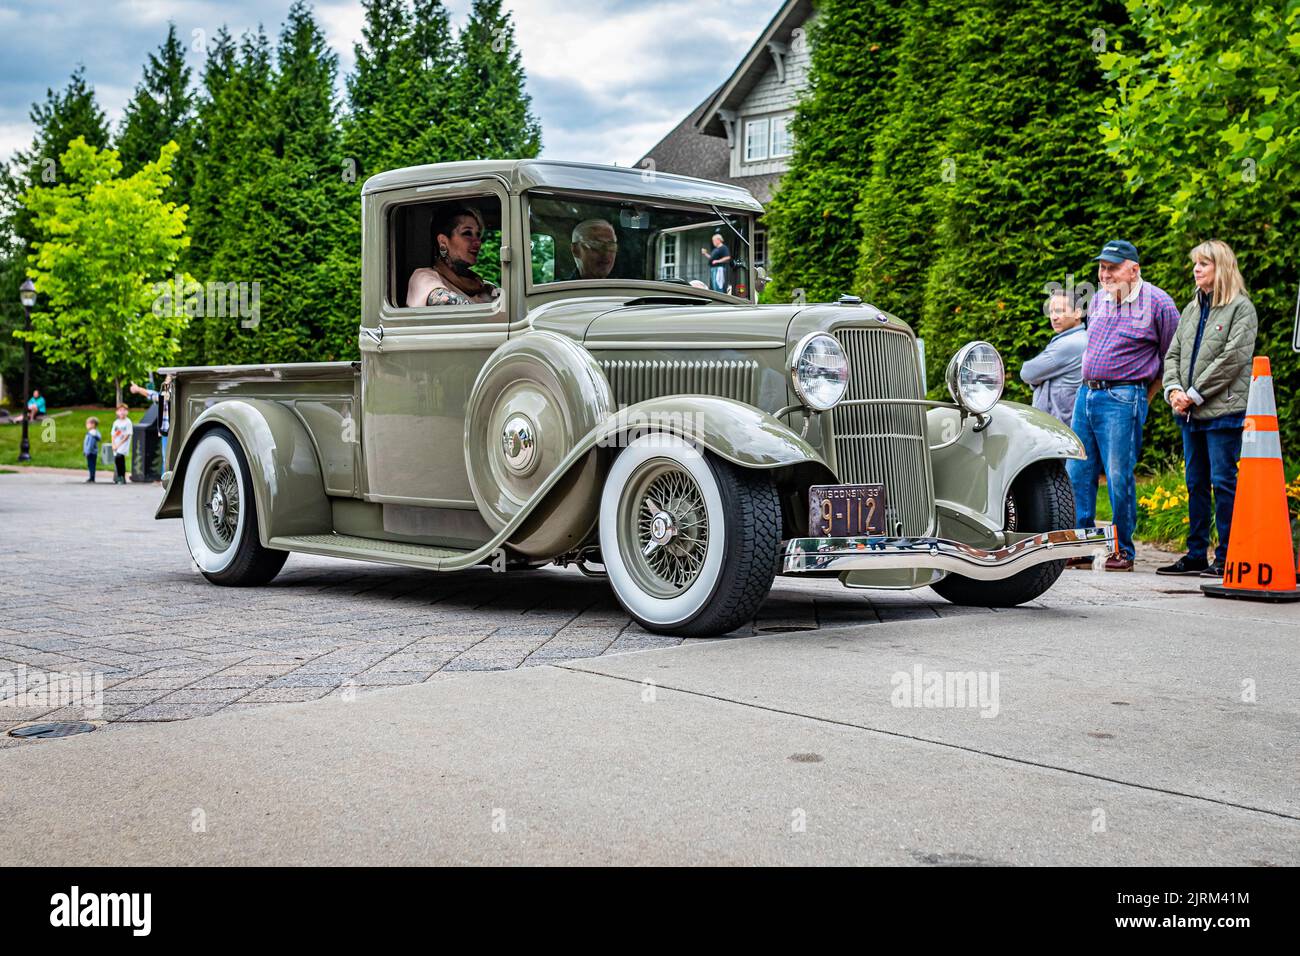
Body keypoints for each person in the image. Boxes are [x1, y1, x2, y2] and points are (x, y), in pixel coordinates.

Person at [1066, 239, 1180, 571]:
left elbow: (1170, 357)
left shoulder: (1159, 304)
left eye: (1112, 268)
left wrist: (1146, 395)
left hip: (1122, 397)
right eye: (1102, 267)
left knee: (1118, 476)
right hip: (1086, 394)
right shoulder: (1099, 299)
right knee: (1078, 472)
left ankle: (1123, 550)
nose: (1104, 274)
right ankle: (1083, 546)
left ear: (1134, 269)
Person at [1157, 240, 1258, 578]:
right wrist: (1173, 390)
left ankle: (1228, 557)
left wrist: (1195, 393)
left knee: (1223, 481)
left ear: (1222, 268)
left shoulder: (1241, 309)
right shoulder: (1191, 309)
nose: (1196, 269)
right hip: (1189, 412)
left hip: (1222, 412)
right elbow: (1171, 354)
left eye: (1204, 264)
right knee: (1195, 483)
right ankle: (1196, 553)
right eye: (1195, 264)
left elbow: (1233, 359)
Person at [405, 205, 499, 307]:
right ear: (443, 241)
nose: (477, 242)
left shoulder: (488, 288)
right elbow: (444, 301)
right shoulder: (423, 277)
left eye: (478, 234)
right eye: (467, 233)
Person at [1020, 290, 1087, 427]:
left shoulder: (1069, 343)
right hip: (1065, 424)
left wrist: (1038, 380)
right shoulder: (1077, 338)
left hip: (1060, 428)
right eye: (1051, 312)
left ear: (1077, 313)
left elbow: (1026, 372)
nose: (1054, 317)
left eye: (1060, 311)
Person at [130, 375, 172, 473]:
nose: (166, 383)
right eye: (166, 381)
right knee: (166, 457)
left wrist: (138, 389)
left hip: (175, 430)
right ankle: (165, 482)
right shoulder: (163, 395)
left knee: (170, 457)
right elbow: (152, 394)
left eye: (169, 381)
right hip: (166, 430)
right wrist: (138, 389)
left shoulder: (175, 395)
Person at [110, 403, 132, 485]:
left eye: (124, 410)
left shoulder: (128, 422)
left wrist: (118, 445)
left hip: (123, 444)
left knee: (120, 458)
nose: (122, 412)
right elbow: (113, 434)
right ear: (117, 412)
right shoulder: (116, 422)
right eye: (120, 410)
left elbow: (127, 435)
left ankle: (122, 477)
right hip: (116, 444)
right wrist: (113, 444)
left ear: (127, 412)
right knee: (117, 460)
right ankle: (119, 476)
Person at [83, 417, 101, 483]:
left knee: (91, 465)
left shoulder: (92, 434)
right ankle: (91, 477)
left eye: (87, 424)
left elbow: (90, 444)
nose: (86, 425)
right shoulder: (93, 433)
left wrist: (87, 452)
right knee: (91, 465)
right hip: (91, 452)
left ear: (93, 424)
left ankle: (92, 478)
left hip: (91, 452)